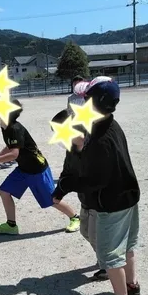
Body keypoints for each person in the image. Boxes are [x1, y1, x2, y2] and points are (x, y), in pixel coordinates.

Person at [52, 78, 141, 295]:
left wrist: (68, 185)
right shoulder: (111, 125)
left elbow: (96, 181)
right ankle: (132, 285)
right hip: (129, 195)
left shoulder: (99, 139)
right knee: (127, 246)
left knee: (110, 254)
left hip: (111, 202)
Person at [0, 99, 81, 235]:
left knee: (52, 199)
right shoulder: (6, 127)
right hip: (24, 168)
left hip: (37, 169)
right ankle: (11, 225)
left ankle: (75, 217)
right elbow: (11, 146)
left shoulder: (14, 129)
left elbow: (14, 154)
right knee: (4, 191)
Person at [51, 109, 109, 282]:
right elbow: (68, 171)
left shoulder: (94, 147)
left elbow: (97, 179)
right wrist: (59, 190)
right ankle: (104, 260)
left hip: (100, 201)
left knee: (96, 235)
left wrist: (72, 185)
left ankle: (108, 266)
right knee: (85, 231)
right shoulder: (71, 149)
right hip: (86, 200)